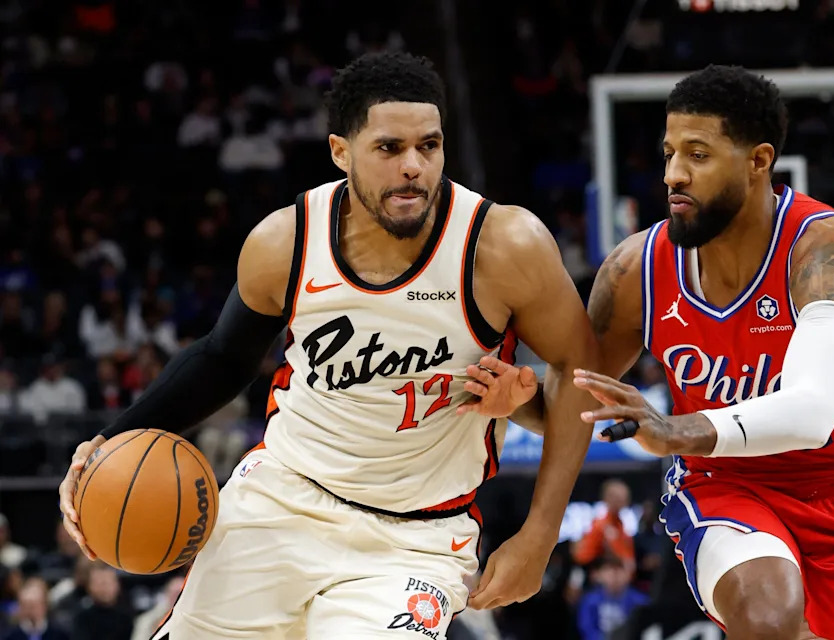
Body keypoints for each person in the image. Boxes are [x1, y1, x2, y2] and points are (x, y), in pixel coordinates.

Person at [57, 51, 597, 639]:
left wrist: (540, 535)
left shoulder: (504, 244)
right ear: (341, 151)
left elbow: (581, 372)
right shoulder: (285, 241)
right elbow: (222, 359)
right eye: (389, 148)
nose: (413, 166)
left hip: (415, 539)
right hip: (280, 502)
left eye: (429, 146)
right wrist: (106, 444)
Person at [461, 65, 834, 640]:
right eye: (669, 153)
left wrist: (673, 429)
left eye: (698, 155)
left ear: (758, 161)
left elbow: (812, 413)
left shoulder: (828, 252)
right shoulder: (635, 270)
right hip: (725, 482)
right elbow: (576, 407)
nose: (673, 173)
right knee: (767, 614)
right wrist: (520, 409)